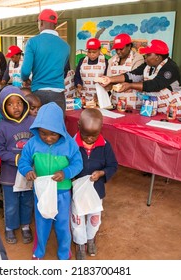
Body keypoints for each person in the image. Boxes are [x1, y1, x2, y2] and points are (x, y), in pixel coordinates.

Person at [18, 102, 83, 260]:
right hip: (41, 192)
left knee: (62, 224)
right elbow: (23, 161)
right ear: (37, 130)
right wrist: (27, 171)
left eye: (53, 134)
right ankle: (39, 251)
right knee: (42, 223)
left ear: (61, 129)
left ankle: (64, 252)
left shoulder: (69, 144)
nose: (48, 138)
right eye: (43, 133)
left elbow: (78, 163)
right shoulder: (32, 143)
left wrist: (66, 172)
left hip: (62, 192)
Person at [71, 108, 118, 260]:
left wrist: (102, 173)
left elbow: (113, 165)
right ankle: (80, 243)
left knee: (94, 218)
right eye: (86, 135)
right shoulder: (72, 145)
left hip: (96, 190)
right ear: (78, 126)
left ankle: (90, 238)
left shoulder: (105, 146)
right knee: (77, 219)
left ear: (100, 129)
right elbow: (66, 164)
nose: (90, 139)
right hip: (77, 191)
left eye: (94, 135)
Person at [100, 39, 181, 116]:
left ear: (158, 57)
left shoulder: (170, 67)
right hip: (156, 109)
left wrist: (130, 86)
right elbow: (131, 75)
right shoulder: (148, 65)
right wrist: (110, 80)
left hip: (175, 109)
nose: (145, 58)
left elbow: (155, 85)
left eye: (148, 55)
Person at [0, 85, 35, 245]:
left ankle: (25, 226)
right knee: (11, 203)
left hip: (29, 172)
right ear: (3, 107)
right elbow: (0, 150)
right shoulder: (2, 127)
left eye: (18, 102)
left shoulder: (32, 122)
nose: (15, 107)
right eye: (10, 104)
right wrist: (16, 159)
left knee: (27, 200)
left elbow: (39, 143)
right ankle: (10, 227)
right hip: (10, 173)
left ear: (24, 103)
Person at [21, 9, 70, 113]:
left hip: (39, 94)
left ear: (41, 22)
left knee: (39, 128)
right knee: (56, 127)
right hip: (58, 95)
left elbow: (25, 71)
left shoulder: (32, 42)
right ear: (55, 25)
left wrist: (25, 79)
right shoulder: (66, 46)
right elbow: (65, 70)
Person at [107, 33, 145, 108]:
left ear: (129, 46)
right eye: (116, 49)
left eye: (121, 49)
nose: (118, 52)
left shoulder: (137, 58)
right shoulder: (112, 60)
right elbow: (109, 79)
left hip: (133, 101)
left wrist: (112, 80)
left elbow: (135, 78)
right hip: (116, 100)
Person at [74, 38, 108, 103]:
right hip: (85, 96)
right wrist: (78, 85)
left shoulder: (105, 62)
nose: (91, 54)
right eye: (89, 52)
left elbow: (107, 79)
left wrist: (100, 94)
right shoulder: (82, 61)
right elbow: (77, 76)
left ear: (99, 50)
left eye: (94, 52)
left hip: (99, 96)